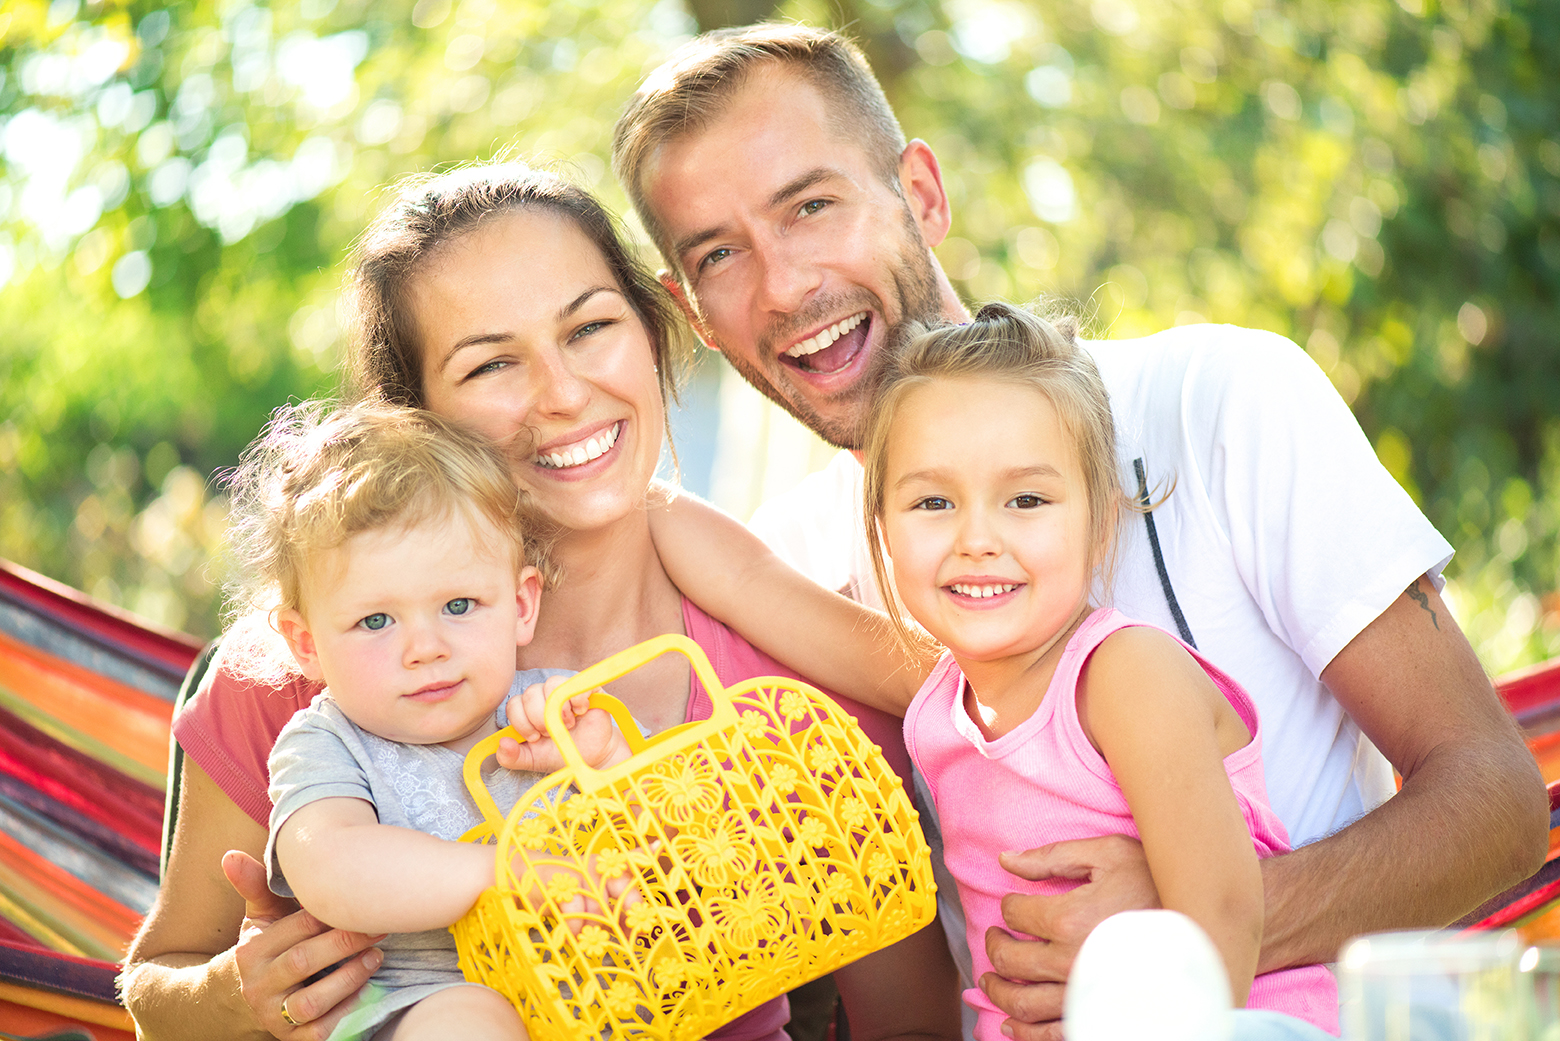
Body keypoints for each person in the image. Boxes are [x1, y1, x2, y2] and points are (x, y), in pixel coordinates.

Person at [610, 23, 1549, 1040]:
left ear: (920, 193)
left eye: (812, 206)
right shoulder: (786, 576)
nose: (785, 286)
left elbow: (1497, 807)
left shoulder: (1218, 403)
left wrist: (1173, 935)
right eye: (719, 255)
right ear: (692, 312)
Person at [120, 163, 958, 1041]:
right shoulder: (316, 670)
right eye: (490, 365)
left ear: (652, 330)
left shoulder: (781, 692)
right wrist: (238, 996)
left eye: (591, 327)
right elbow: (157, 988)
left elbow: (910, 1027)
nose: (561, 394)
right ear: (417, 416)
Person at [221, 400, 636, 1041]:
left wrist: (607, 763)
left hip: (585, 999)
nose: (426, 648)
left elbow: (657, 853)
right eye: (377, 621)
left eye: (460, 605)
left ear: (521, 605)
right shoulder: (326, 745)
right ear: (307, 645)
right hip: (413, 1005)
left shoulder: (549, 711)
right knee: (472, 1022)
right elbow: (334, 868)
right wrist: (504, 873)